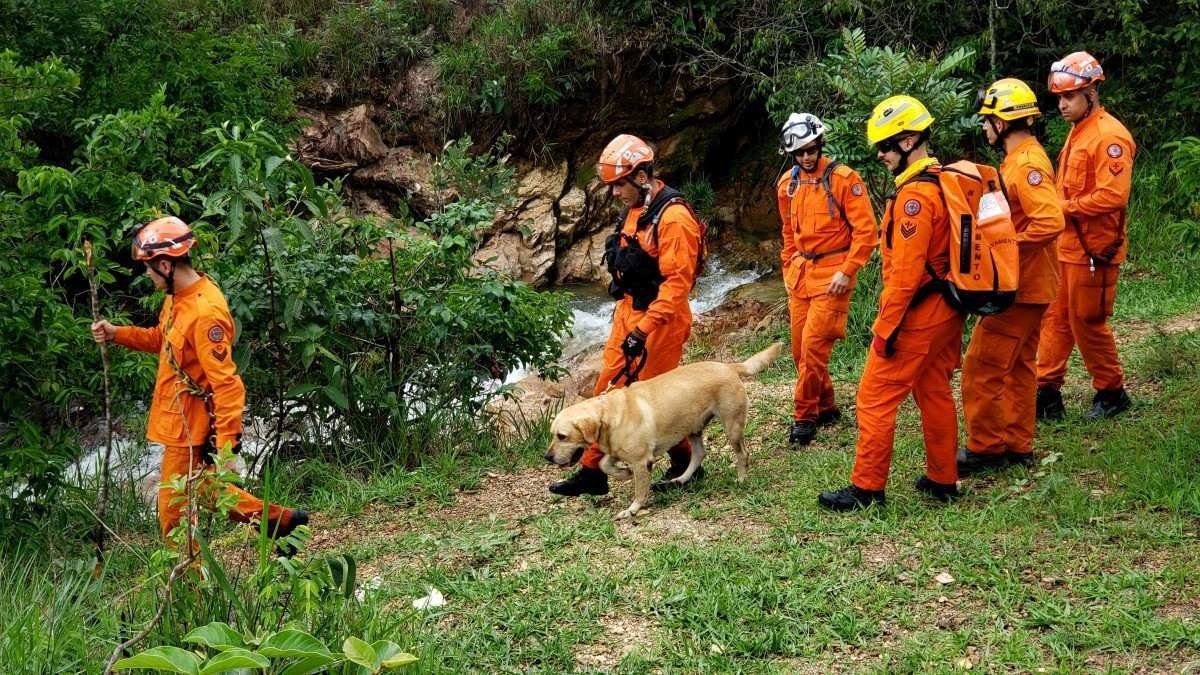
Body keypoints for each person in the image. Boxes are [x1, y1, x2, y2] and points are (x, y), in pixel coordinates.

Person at [90, 216, 308, 547]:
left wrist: (227, 448)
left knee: (172, 513)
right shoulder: (177, 297)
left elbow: (227, 384)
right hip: (176, 419)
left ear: (165, 264)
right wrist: (117, 334)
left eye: (149, 268)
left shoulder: (206, 313)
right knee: (203, 489)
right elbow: (160, 339)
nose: (147, 275)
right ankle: (280, 521)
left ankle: (189, 590)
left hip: (191, 426)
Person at [818, 95, 964, 511]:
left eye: (886, 145)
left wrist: (886, 328)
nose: (880, 154)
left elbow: (905, 275)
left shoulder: (916, 197)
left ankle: (867, 490)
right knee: (933, 389)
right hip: (945, 308)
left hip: (919, 311)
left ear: (911, 139)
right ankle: (943, 478)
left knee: (874, 397)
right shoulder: (938, 181)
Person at [548, 134, 704, 497]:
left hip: (660, 321)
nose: (615, 193)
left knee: (653, 401)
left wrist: (645, 329)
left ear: (641, 177)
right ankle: (592, 473)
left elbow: (677, 285)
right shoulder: (636, 209)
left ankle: (685, 464)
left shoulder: (675, 219)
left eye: (619, 185)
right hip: (628, 312)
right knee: (606, 391)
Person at [958, 78, 1065, 475]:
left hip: (1020, 287)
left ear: (1002, 122)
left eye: (988, 120)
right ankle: (1018, 445)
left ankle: (986, 448)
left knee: (981, 367)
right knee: (1020, 364)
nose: (984, 127)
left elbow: (1050, 220)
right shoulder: (1020, 158)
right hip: (1031, 285)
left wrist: (1004, 246)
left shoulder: (1027, 164)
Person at [1036, 51, 1136, 421]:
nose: (1062, 106)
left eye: (1069, 98)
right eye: (1059, 98)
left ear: (1091, 93)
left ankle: (1112, 391)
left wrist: (1063, 207)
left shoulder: (1110, 136)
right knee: (1056, 317)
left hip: (1096, 248)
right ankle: (1046, 390)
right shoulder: (1079, 133)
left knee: (1087, 323)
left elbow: (1114, 195)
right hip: (1069, 246)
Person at [774, 113, 878, 446]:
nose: (806, 156)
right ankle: (826, 404)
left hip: (833, 274)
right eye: (800, 152)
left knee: (813, 349)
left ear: (820, 144)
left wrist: (847, 271)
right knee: (799, 351)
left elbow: (867, 232)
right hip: (801, 275)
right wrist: (787, 266)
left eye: (811, 149)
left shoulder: (843, 179)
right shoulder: (786, 185)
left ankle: (805, 416)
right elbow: (788, 232)